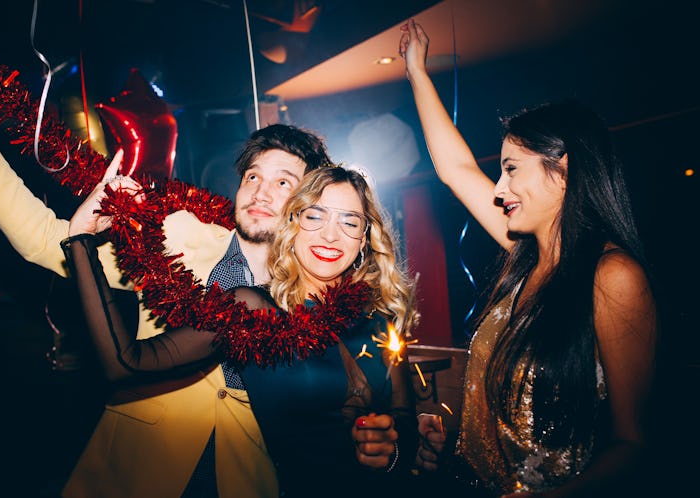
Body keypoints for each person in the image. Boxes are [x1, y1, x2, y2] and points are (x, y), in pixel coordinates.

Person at [0, 43, 332, 497]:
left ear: (307, 204)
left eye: (283, 182)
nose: (261, 191)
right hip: (136, 473)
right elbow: (42, 239)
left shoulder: (318, 287)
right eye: (253, 176)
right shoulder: (177, 235)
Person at [400, 19, 658, 498]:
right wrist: (417, 72)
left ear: (563, 173)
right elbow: (455, 170)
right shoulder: (524, 260)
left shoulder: (613, 276)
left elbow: (632, 444)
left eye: (511, 170)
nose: (498, 189)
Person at [62, 162, 421, 497]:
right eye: (315, 216)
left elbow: (403, 421)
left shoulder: (380, 321)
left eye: (350, 222)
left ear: (363, 239)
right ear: (292, 225)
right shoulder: (252, 310)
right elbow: (125, 363)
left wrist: (391, 451)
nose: (330, 235)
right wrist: (80, 240)